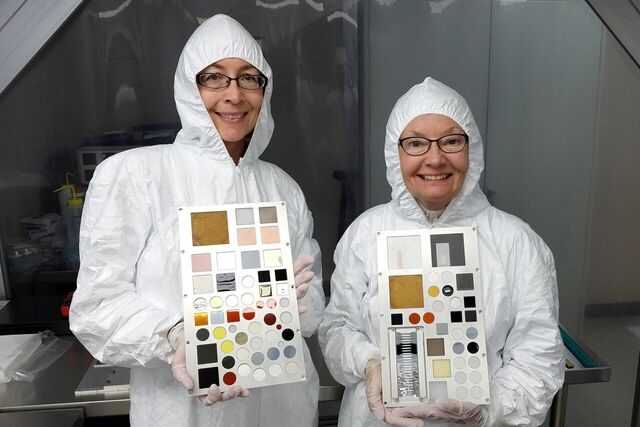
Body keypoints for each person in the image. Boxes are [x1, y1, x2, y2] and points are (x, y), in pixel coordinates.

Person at [70, 14, 324, 427]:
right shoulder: (137, 175)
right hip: (180, 412)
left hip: (283, 407)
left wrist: (290, 305)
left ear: (265, 89)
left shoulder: (282, 188)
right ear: (190, 88)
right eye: (214, 78)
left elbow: (312, 305)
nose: (234, 95)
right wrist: (176, 335)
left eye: (248, 78)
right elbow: (96, 306)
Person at [319, 77, 564, 426]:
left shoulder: (516, 242)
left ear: (472, 148)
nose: (434, 159)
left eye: (451, 141)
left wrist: (491, 409)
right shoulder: (365, 233)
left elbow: (538, 354)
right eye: (416, 143)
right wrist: (368, 362)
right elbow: (338, 327)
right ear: (395, 153)